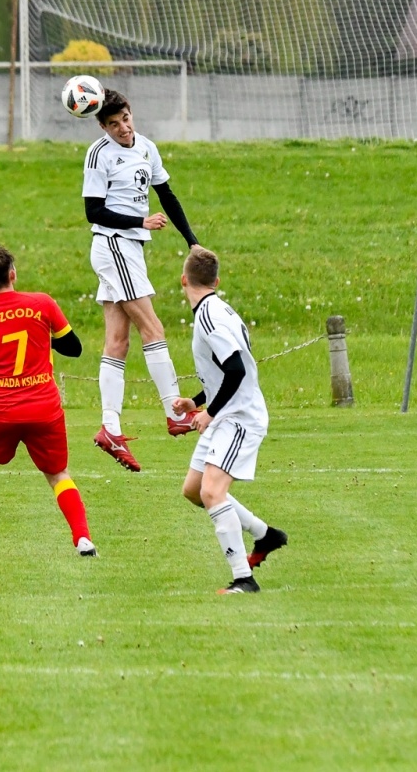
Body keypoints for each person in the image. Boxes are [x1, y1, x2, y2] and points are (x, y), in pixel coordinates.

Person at [83, 88, 202, 472]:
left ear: (132, 114)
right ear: (102, 126)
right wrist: (139, 221)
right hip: (114, 243)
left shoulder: (147, 148)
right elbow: (93, 211)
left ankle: (110, 428)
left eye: (125, 119)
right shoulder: (99, 154)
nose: (122, 128)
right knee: (153, 328)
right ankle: (175, 413)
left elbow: (167, 195)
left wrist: (192, 242)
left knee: (117, 342)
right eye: (113, 124)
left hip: (128, 249)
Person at [0, 245, 94, 557]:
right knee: (57, 474)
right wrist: (41, 337)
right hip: (43, 405)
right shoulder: (41, 303)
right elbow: (74, 348)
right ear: (12, 274)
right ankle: (82, 539)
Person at [170, 248, 287, 594]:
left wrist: (208, 413)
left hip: (239, 417)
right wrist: (196, 400)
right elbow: (226, 371)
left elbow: (235, 369)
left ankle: (243, 579)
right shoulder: (218, 309)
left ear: (183, 280)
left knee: (212, 491)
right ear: (216, 282)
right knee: (194, 491)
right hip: (227, 412)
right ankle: (265, 535)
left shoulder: (208, 317)